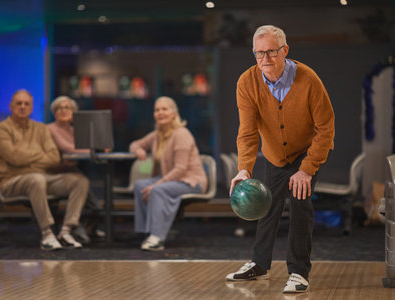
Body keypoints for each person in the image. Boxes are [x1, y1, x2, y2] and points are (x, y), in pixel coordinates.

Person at [225, 25, 335, 293]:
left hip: (306, 153)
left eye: (271, 52)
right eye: (259, 53)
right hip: (275, 155)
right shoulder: (247, 82)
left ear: (285, 50)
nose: (265, 59)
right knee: (266, 205)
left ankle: (298, 272)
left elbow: (326, 128)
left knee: (299, 205)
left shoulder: (308, 79)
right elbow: (248, 133)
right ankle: (259, 264)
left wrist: (307, 169)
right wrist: (243, 170)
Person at [0, 89, 90, 251]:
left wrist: (26, 157)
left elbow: (54, 158)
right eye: (19, 103)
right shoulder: (1, 129)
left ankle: (66, 231)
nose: (23, 107)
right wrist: (39, 155)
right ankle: (47, 234)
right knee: (35, 179)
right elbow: (14, 157)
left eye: (27, 104)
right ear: (11, 106)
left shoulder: (41, 129)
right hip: (12, 181)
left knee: (79, 181)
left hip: (42, 178)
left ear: (31, 108)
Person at [129, 96, 207, 251]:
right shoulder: (157, 135)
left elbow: (180, 169)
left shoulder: (181, 134)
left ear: (173, 113)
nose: (160, 113)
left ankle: (157, 238)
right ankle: (148, 231)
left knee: (157, 189)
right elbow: (135, 144)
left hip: (190, 180)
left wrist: (157, 184)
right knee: (140, 185)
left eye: (164, 109)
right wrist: (138, 149)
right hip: (173, 179)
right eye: (157, 110)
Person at [47, 95, 105, 243]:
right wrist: (95, 149)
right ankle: (74, 229)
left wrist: (102, 146)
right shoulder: (50, 129)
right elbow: (69, 149)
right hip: (54, 174)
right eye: (59, 108)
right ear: (54, 112)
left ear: (74, 112)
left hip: (73, 173)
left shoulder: (75, 130)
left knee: (95, 207)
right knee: (83, 186)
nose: (63, 110)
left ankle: (85, 228)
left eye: (67, 107)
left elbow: (91, 144)